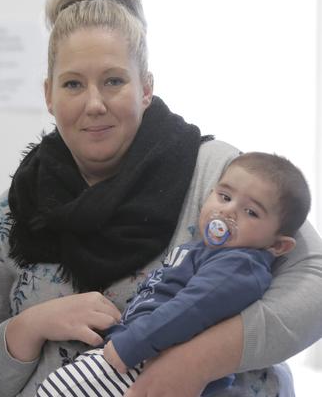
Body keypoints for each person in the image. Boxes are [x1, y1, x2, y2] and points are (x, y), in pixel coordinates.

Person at [0, 0, 322, 397]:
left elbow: (315, 281)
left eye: (113, 81)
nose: (94, 103)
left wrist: (196, 361)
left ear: (145, 88)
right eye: (73, 83)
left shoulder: (220, 178)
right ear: (48, 94)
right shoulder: (16, 211)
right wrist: (29, 326)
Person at [37, 152, 310, 397]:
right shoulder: (203, 250)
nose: (227, 212)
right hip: (140, 350)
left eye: (250, 212)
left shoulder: (239, 265)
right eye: (224, 197)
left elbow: (192, 308)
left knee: (58, 390)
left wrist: (133, 343)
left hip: (149, 357)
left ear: (278, 245)